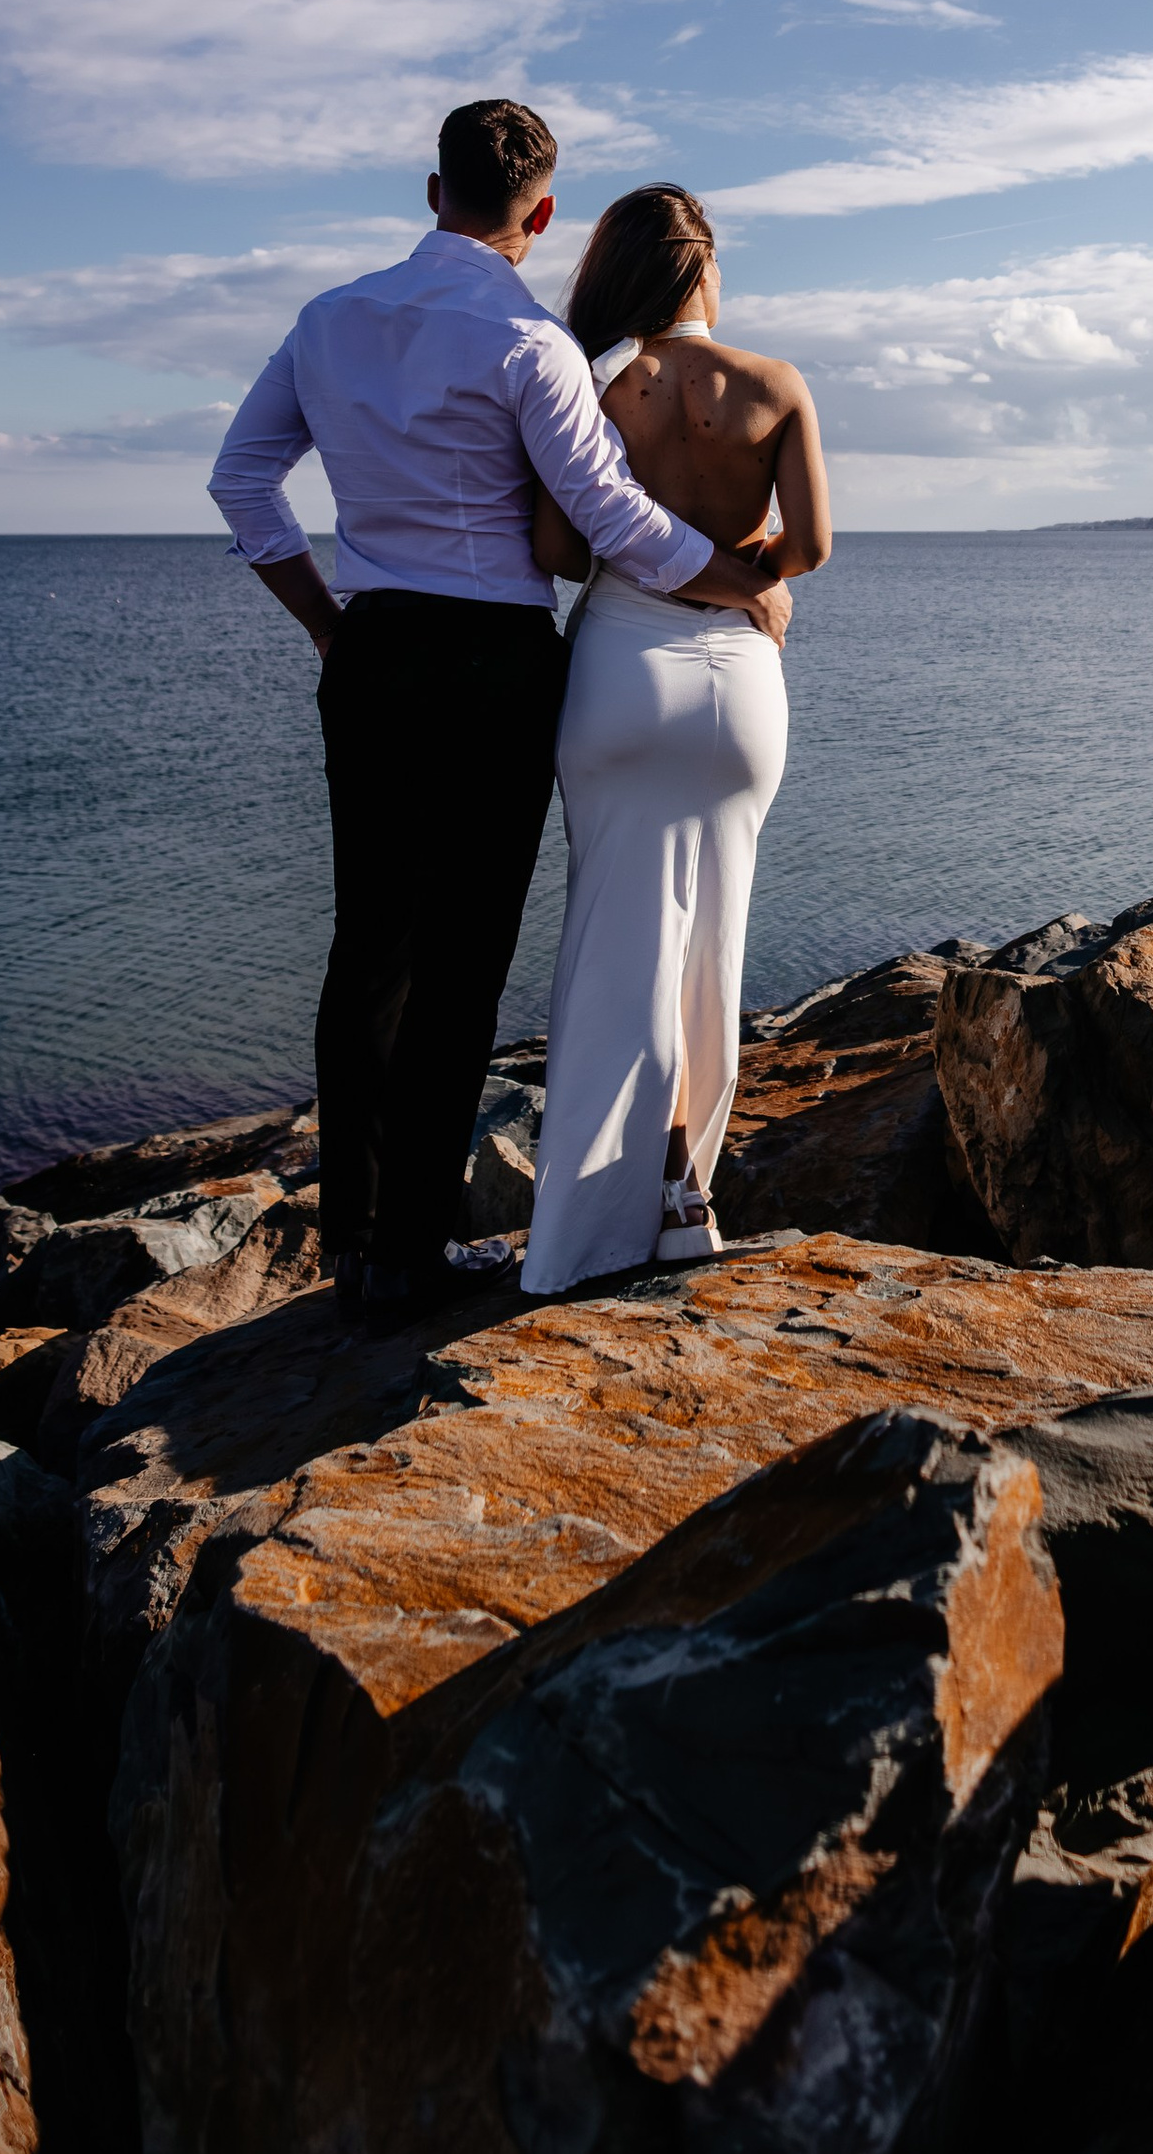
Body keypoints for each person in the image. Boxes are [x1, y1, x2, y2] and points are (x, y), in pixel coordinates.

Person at [206, 101, 792, 1327]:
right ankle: (411, 1255)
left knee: (368, 947)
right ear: (539, 214)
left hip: (372, 648)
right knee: (463, 962)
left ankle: (353, 1246)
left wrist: (325, 620)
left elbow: (242, 478)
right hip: (491, 660)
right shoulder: (531, 342)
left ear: (432, 193)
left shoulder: (327, 319)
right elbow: (611, 522)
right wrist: (744, 581)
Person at [519, 182, 831, 1292]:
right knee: (714, 944)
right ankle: (686, 1192)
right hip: (741, 683)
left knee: (618, 943)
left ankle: (588, 1229)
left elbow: (559, 549)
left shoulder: (600, 393)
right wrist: (751, 578)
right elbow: (815, 545)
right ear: (706, 269)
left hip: (621, 671)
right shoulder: (774, 383)